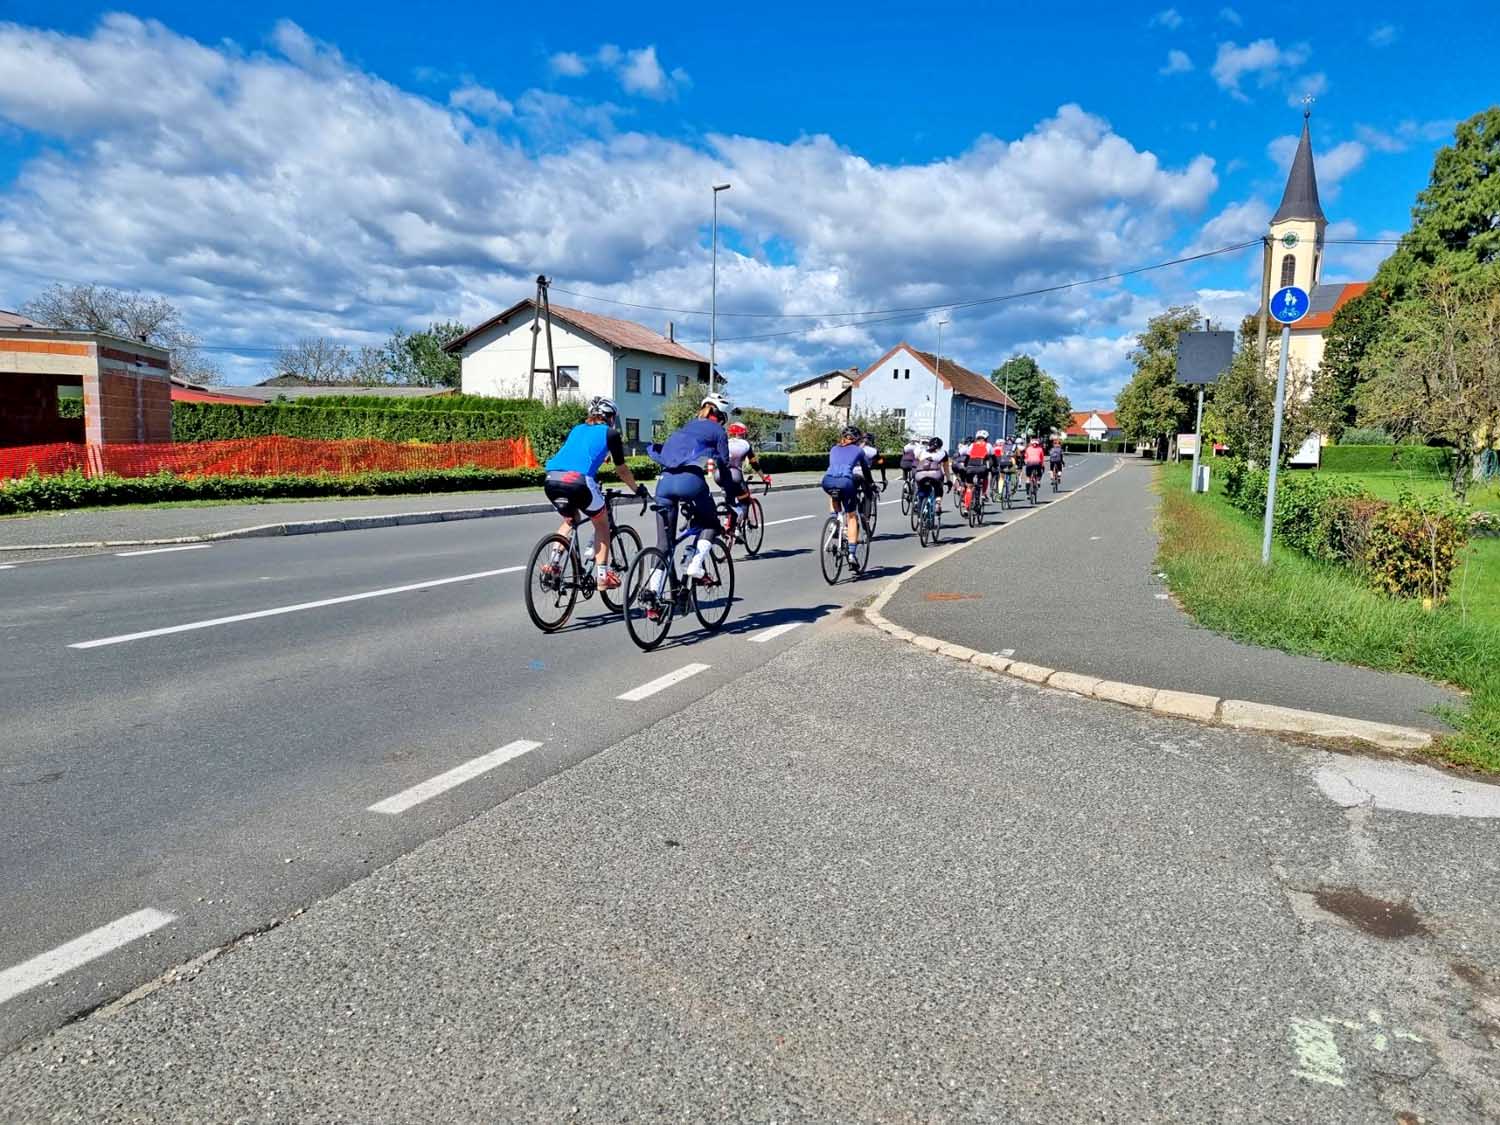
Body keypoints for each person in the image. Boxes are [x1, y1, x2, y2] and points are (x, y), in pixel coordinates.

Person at [541, 396, 647, 590]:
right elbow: (622, 470)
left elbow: (579, 452)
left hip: (551, 478)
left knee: (570, 519)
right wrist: (637, 489)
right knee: (602, 524)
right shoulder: (611, 433)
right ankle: (602, 576)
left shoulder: (577, 429)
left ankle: (553, 565)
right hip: (579, 481)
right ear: (611, 417)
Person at [647, 393, 736, 589]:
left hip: (664, 483)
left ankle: (652, 594)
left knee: (664, 544)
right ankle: (695, 564)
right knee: (711, 523)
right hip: (690, 482)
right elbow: (724, 467)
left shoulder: (684, 428)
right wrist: (730, 499)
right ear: (721, 417)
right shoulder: (718, 432)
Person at [822, 425, 873, 568]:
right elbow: (865, 471)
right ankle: (851, 554)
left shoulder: (833, 448)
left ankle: (835, 520)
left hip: (827, 481)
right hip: (846, 482)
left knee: (833, 493)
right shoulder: (859, 450)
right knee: (851, 516)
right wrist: (871, 484)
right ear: (857, 439)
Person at [721, 421, 770, 532]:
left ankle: (726, 520)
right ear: (742, 434)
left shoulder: (724, 442)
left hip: (719, 476)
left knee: (730, 499)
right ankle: (737, 529)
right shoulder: (745, 444)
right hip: (735, 476)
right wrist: (764, 478)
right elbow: (754, 463)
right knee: (745, 500)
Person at [912, 436, 951, 519]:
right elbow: (946, 469)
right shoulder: (943, 453)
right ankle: (938, 503)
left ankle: (919, 517)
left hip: (920, 474)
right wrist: (949, 480)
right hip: (935, 474)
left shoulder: (921, 451)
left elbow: (917, 462)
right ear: (941, 446)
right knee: (938, 487)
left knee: (921, 492)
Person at [965, 428, 993, 507]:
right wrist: (994, 466)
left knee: (969, 487)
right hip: (982, 467)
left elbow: (967, 457)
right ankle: (983, 494)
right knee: (985, 477)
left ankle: (966, 508)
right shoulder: (988, 445)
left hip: (970, 467)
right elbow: (993, 458)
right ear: (986, 438)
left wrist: (965, 466)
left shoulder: (972, 445)